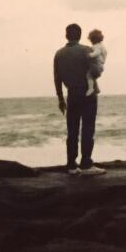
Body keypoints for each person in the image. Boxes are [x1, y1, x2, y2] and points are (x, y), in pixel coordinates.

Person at [53, 23, 106, 175]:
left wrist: (60, 99)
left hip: (71, 95)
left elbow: (57, 78)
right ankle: (86, 163)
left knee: (72, 130)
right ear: (80, 35)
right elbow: (96, 70)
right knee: (88, 128)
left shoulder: (59, 54)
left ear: (66, 35)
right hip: (88, 94)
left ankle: (71, 164)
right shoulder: (86, 50)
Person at [85, 29, 107, 97]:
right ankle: (96, 89)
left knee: (89, 75)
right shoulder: (101, 45)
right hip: (100, 66)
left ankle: (91, 89)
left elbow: (97, 53)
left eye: (91, 40)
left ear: (93, 39)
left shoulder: (97, 46)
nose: (90, 42)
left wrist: (90, 55)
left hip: (97, 65)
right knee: (92, 76)